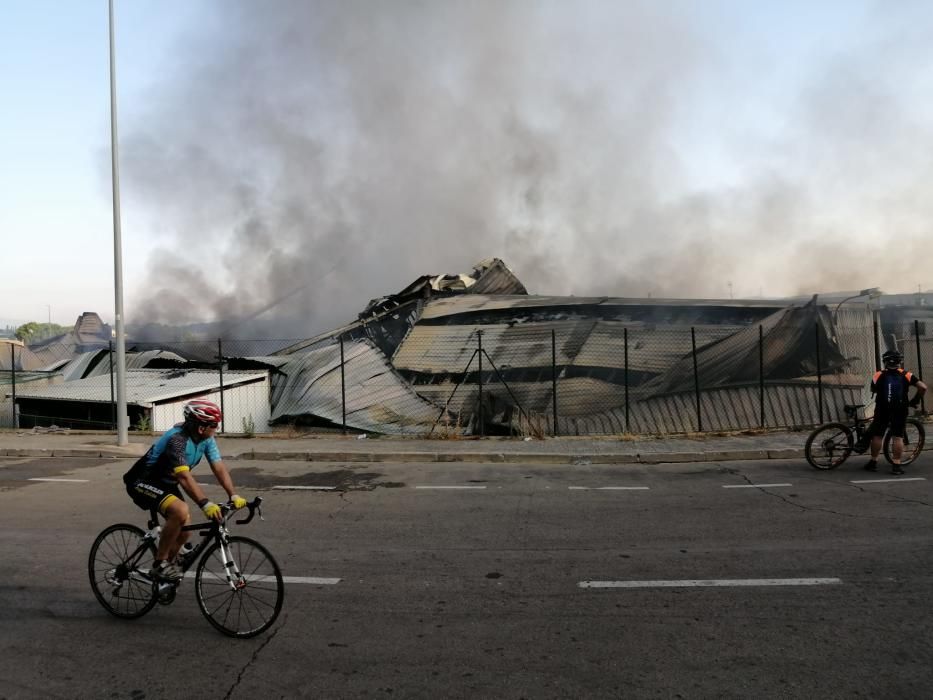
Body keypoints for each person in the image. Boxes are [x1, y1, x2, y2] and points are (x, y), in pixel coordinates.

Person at [123, 399, 247, 581]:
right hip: (141, 481)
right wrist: (205, 504)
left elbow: (218, 467)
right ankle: (160, 564)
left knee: (185, 530)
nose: (216, 428)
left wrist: (233, 494)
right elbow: (183, 477)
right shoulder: (177, 440)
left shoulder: (206, 439)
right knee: (180, 511)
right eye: (214, 425)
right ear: (201, 427)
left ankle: (164, 576)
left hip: (166, 483)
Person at [862, 349, 926, 475]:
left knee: (878, 435)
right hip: (900, 409)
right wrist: (915, 400)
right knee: (898, 436)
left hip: (882, 409)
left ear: (885, 361)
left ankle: (873, 462)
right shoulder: (907, 374)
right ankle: (896, 465)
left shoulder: (878, 375)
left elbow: (873, 389)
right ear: (899, 362)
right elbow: (923, 387)